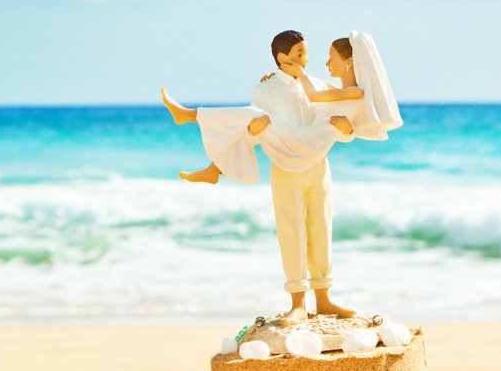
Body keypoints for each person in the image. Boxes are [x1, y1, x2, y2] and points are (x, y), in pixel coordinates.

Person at [160, 30, 401, 318]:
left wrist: (348, 133)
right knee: (291, 230)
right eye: (300, 54)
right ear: (282, 57)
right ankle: (298, 304)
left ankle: (323, 299)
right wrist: (254, 131)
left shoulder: (317, 85)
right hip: (286, 163)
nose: (307, 60)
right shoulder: (265, 89)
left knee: (321, 229)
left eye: (307, 53)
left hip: (316, 162)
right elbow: (250, 135)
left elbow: (346, 121)